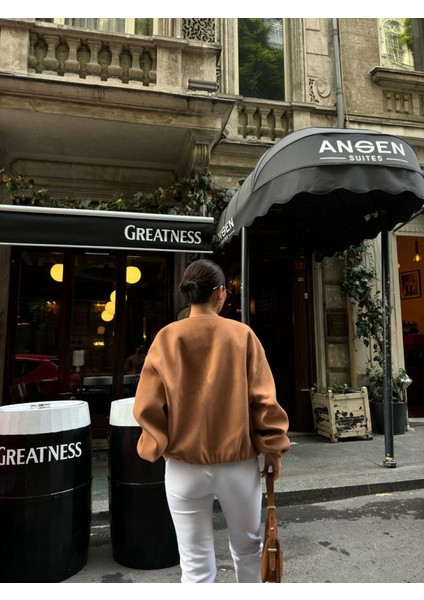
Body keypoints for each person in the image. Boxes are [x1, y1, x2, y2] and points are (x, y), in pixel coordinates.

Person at [133, 259, 290, 583]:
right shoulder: (242, 336)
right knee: (248, 551)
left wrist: (158, 443)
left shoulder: (166, 338)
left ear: (189, 294)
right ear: (220, 293)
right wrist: (273, 448)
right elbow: (263, 400)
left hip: (183, 465)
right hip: (238, 464)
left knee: (195, 565)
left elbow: (147, 405)